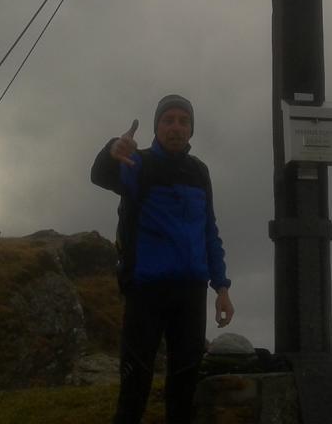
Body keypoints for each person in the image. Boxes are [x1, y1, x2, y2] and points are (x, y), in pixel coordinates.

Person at [91, 94, 234, 424]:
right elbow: (101, 175)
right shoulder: (137, 163)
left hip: (191, 292)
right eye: (168, 120)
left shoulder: (200, 172)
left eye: (183, 121)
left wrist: (222, 286)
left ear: (191, 130)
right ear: (157, 127)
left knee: (184, 388)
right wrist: (114, 149)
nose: (176, 127)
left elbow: (209, 231)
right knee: (135, 385)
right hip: (146, 290)